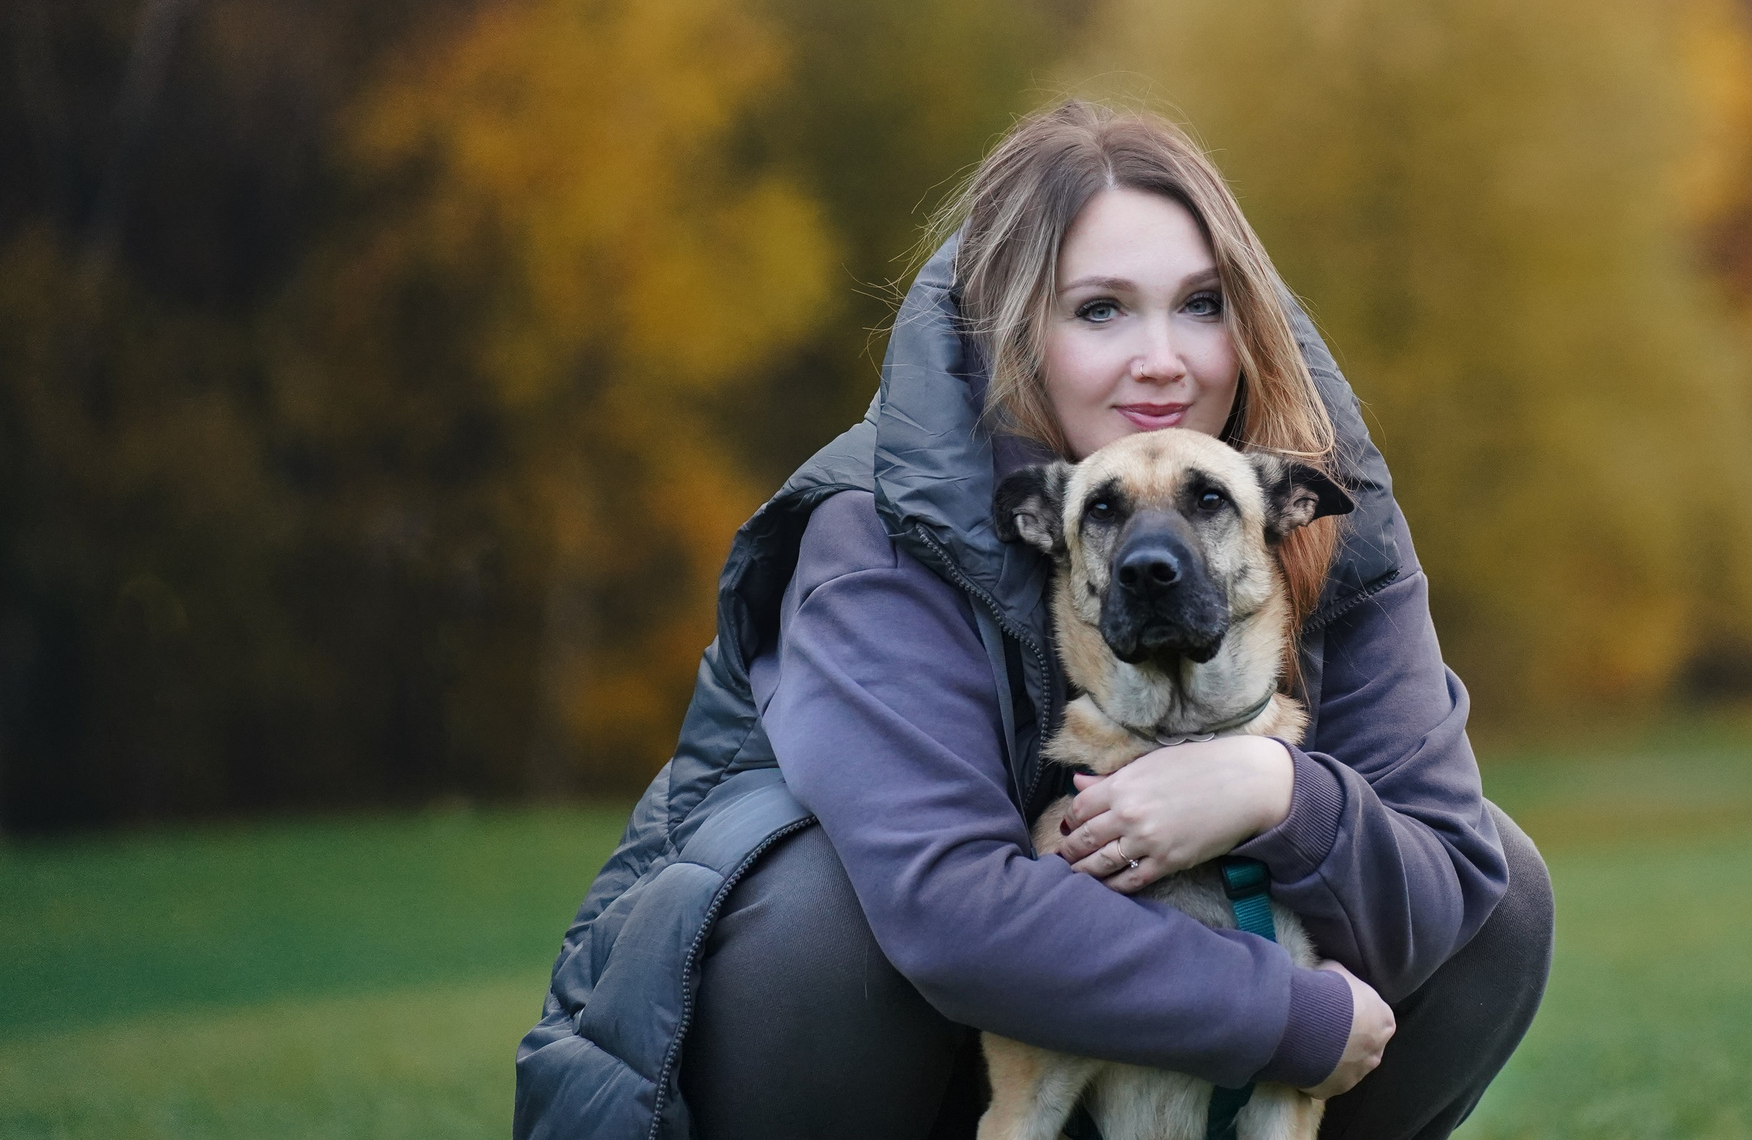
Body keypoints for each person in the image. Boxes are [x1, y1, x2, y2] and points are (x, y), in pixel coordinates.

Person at [515, 102, 1552, 1140]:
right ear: (1014, 328)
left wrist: (1273, 790)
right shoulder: (877, 528)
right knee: (816, 912)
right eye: (1100, 310)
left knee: (1502, 892)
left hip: (1130, 1043)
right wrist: (1288, 1013)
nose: (1164, 360)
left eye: (1200, 303)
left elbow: (1447, 880)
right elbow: (947, 903)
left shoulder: (1323, 502)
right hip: (868, 1047)